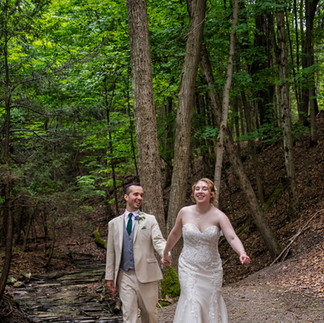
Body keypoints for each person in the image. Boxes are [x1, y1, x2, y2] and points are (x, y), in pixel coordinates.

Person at [162, 178, 250, 323]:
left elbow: (232, 237)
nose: (200, 191)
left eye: (204, 189)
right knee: (192, 300)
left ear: (211, 194)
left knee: (211, 303)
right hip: (188, 266)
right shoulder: (184, 212)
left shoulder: (219, 216)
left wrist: (242, 252)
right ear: (194, 192)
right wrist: (166, 252)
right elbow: (175, 234)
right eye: (197, 189)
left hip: (211, 269)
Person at [105, 182, 166, 323]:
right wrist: (109, 277)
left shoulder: (149, 220)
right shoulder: (114, 224)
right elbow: (111, 252)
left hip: (147, 274)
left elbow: (158, 241)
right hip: (124, 275)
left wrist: (165, 253)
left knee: (150, 314)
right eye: (136, 194)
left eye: (141, 195)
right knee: (129, 315)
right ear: (126, 197)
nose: (139, 198)